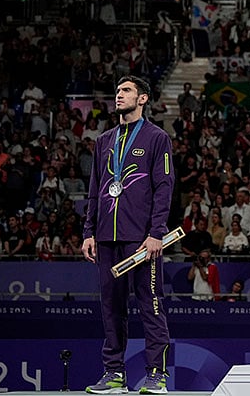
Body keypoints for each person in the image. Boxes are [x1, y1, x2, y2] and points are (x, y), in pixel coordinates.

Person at [82, 75, 174, 395]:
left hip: (140, 238)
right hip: (107, 237)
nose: (118, 96)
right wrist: (89, 232)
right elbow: (95, 189)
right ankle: (114, 373)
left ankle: (156, 374)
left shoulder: (156, 138)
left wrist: (156, 233)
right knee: (111, 306)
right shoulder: (103, 140)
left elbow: (164, 188)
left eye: (126, 91)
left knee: (150, 304)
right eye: (118, 91)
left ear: (143, 98)